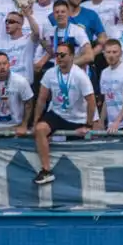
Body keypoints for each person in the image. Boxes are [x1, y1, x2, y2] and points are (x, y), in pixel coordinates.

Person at [32, 40, 96, 187]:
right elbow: (41, 99)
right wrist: (35, 121)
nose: (59, 58)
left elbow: (91, 102)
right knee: (40, 129)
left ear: (72, 57)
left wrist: (89, 125)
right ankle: (46, 170)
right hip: (57, 114)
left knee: (78, 154)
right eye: (56, 55)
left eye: (62, 55)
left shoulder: (80, 76)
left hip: (77, 117)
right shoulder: (50, 73)